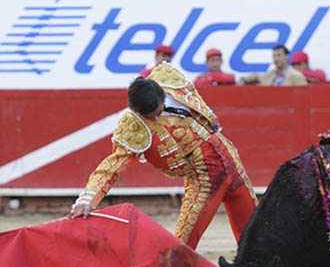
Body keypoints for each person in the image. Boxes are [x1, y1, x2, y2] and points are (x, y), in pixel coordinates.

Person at [68, 63, 258, 249]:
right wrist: (86, 199)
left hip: (228, 156)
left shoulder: (169, 78)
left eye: (158, 112)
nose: (156, 119)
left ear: (161, 95)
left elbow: (193, 94)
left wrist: (208, 114)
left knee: (257, 232)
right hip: (204, 176)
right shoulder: (134, 126)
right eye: (150, 117)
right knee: (182, 247)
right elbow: (111, 167)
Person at [241, 45, 307, 86]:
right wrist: (243, 80)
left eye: (279, 55)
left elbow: (304, 96)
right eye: (274, 56)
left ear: (287, 56)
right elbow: (257, 76)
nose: (276, 59)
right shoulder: (270, 74)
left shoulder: (296, 76)